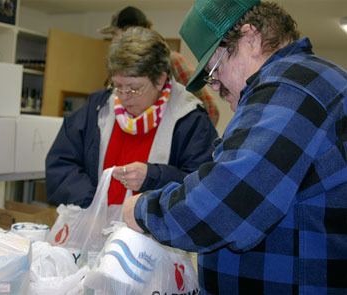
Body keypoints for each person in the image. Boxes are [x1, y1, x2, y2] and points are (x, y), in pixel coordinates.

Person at [123, 0, 347, 293]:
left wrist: (142, 210)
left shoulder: (291, 88)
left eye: (214, 69)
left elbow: (225, 203)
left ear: (251, 39)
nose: (214, 86)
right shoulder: (305, 83)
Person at [46, 27, 217, 211]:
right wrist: (94, 203)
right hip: (96, 226)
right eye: (118, 85)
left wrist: (154, 177)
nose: (124, 96)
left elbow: (204, 189)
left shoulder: (190, 120)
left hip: (151, 236)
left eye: (134, 88)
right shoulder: (98, 108)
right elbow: (60, 166)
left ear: (160, 80)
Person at [99, 6, 220, 126]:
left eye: (115, 34)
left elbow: (210, 110)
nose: (113, 41)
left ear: (131, 31)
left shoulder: (172, 61)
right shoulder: (117, 71)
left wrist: (191, 140)